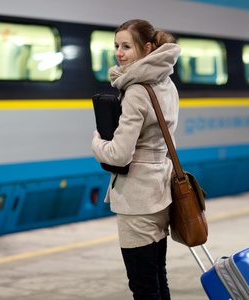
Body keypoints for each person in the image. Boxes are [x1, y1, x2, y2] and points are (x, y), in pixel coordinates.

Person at [91, 19, 181, 300]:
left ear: (147, 47)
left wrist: (97, 142)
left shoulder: (136, 91)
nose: (119, 52)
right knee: (158, 278)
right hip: (161, 190)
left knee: (143, 287)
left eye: (127, 46)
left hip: (137, 199)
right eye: (117, 46)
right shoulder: (166, 84)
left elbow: (119, 154)